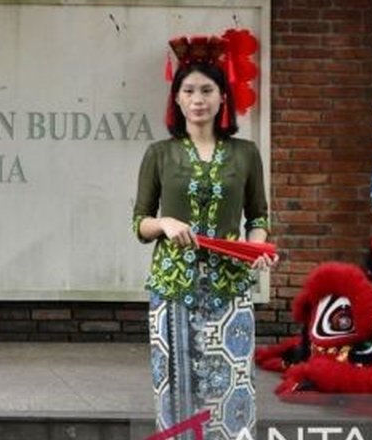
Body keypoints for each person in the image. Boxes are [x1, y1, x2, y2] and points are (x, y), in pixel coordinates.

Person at [132, 35, 273, 440]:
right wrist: (165, 224)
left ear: (222, 97)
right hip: (174, 287)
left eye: (207, 90)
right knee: (176, 390)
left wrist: (256, 248)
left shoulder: (245, 153)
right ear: (176, 99)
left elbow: (258, 216)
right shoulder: (159, 154)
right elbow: (140, 222)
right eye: (189, 90)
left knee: (230, 389)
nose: (198, 99)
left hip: (229, 288)